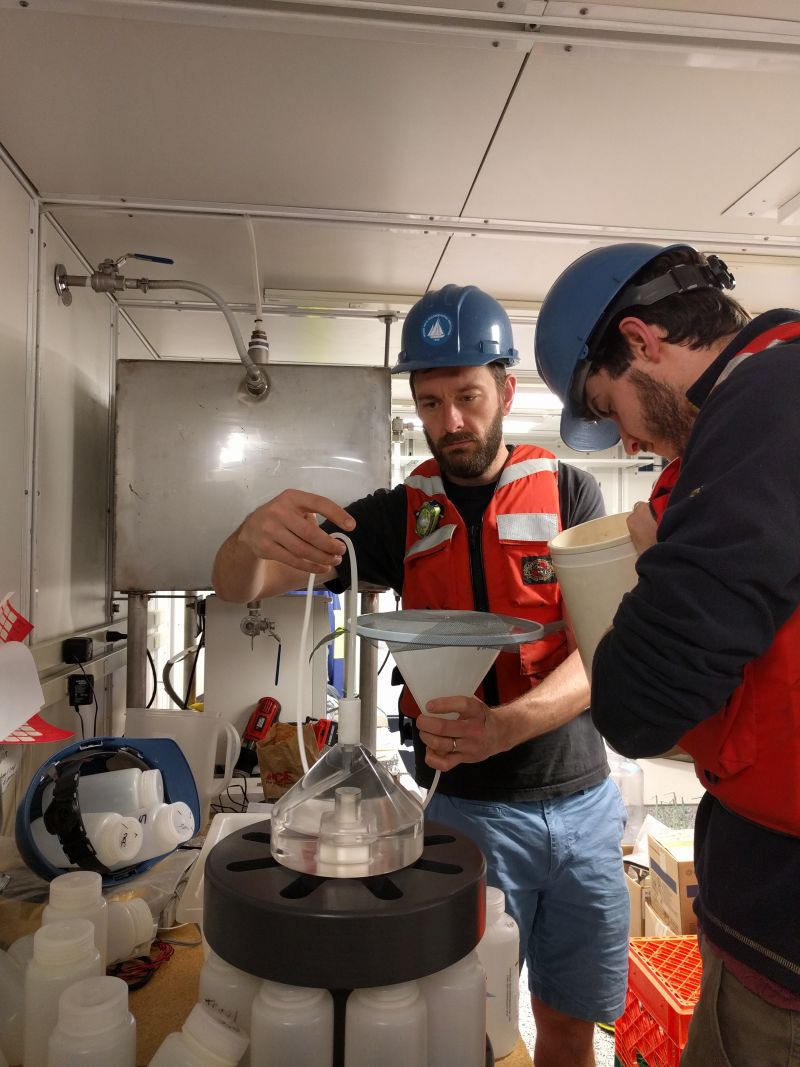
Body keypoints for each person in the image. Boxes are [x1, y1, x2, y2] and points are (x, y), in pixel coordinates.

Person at [213, 283, 629, 1067]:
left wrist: (509, 723)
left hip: (580, 805)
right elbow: (242, 584)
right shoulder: (397, 513)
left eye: (468, 396)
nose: (451, 423)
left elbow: (605, 651)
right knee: (457, 1023)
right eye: (430, 402)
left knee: (569, 1023)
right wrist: (244, 535)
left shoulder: (571, 491)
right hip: (461, 813)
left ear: (506, 388)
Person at [534, 242, 800, 1067]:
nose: (621, 440)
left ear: (644, 341)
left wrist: (651, 568)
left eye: (610, 407)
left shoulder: (765, 402)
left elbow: (640, 703)